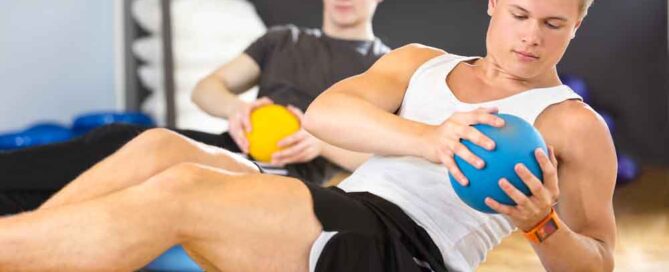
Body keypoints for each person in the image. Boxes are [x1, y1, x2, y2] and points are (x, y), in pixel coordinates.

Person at [0, 0, 616, 271]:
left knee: (183, 190)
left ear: (576, 27)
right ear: (491, 4)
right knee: (162, 146)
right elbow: (324, 114)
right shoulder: (417, 61)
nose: (530, 36)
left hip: (405, 251)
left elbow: (598, 263)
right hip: (350, 210)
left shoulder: (571, 123)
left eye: (553, 24)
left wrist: (542, 224)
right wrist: (434, 139)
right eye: (519, 15)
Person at [0, 0, 389, 214]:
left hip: (286, 179)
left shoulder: (387, 68)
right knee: (117, 140)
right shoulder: (282, 41)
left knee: (137, 169)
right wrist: (236, 108)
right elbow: (207, 89)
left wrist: (320, 144)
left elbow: (386, 161)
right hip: (229, 146)